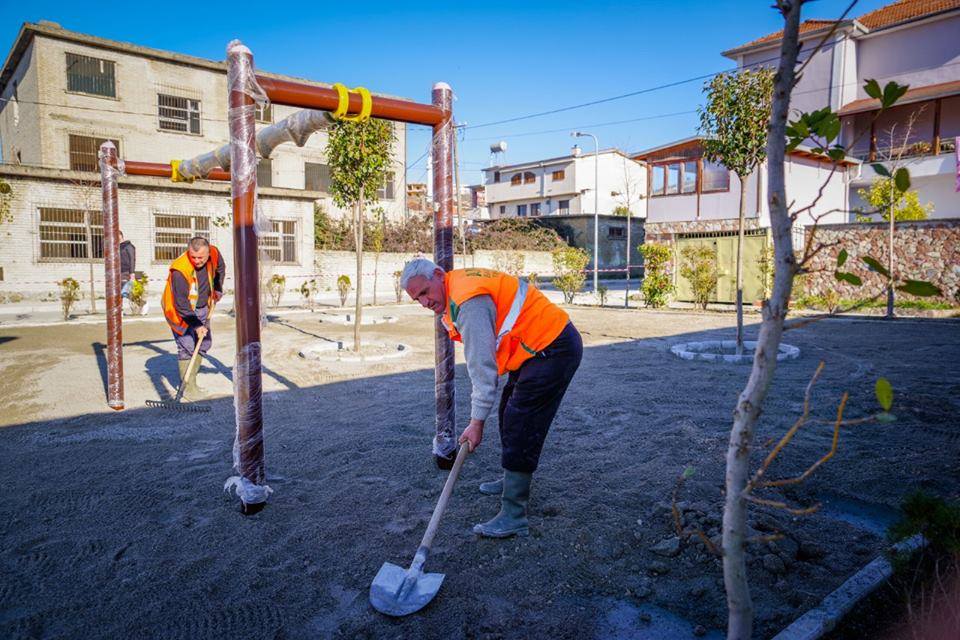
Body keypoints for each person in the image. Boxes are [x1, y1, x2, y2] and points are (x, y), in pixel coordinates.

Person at [401, 258, 582, 538]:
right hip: (535, 349)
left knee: (521, 421)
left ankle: (514, 514)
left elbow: (482, 369)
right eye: (417, 299)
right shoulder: (455, 288)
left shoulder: (468, 301)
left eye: (424, 292)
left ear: (439, 274)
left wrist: (476, 423)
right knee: (507, 411)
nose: (424, 302)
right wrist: (480, 419)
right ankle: (512, 481)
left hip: (552, 347)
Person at [160, 236, 225, 400]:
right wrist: (196, 325)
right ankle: (188, 389)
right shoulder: (180, 270)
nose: (196, 261)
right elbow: (181, 303)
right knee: (187, 346)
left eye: (201, 257)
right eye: (193, 257)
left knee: (204, 343)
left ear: (208, 252)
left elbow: (220, 268)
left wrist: (217, 288)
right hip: (179, 313)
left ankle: (192, 382)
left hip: (203, 307)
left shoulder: (214, 253)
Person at [118, 231, 136, 300]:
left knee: (125, 293)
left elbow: (132, 259)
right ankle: (120, 310)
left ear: (120, 236)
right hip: (119, 272)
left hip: (125, 272)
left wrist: (132, 273)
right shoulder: (117, 247)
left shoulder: (129, 246)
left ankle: (141, 305)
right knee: (120, 293)